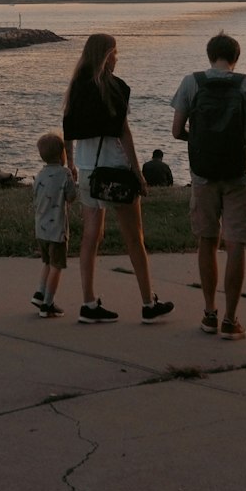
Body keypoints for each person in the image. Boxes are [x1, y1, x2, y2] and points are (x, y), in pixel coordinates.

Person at [62, 33, 174, 325]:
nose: (117, 57)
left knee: (90, 236)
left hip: (88, 171)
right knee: (134, 238)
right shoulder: (117, 88)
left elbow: (68, 131)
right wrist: (137, 172)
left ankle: (88, 303)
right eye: (115, 52)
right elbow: (123, 132)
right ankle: (148, 303)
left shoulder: (76, 87)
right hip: (115, 171)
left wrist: (72, 164)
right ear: (106, 55)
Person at [171, 31, 246, 339]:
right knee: (236, 244)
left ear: (209, 55)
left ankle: (210, 314)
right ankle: (231, 320)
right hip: (239, 176)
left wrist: (199, 140)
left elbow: (176, 131)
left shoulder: (192, 82)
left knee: (207, 241)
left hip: (203, 175)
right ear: (236, 58)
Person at [31, 131, 77, 318]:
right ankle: (48, 303)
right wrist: (75, 179)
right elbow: (71, 197)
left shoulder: (40, 174)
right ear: (62, 154)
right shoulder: (64, 174)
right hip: (57, 230)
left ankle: (40, 293)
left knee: (47, 262)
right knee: (57, 265)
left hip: (41, 229)